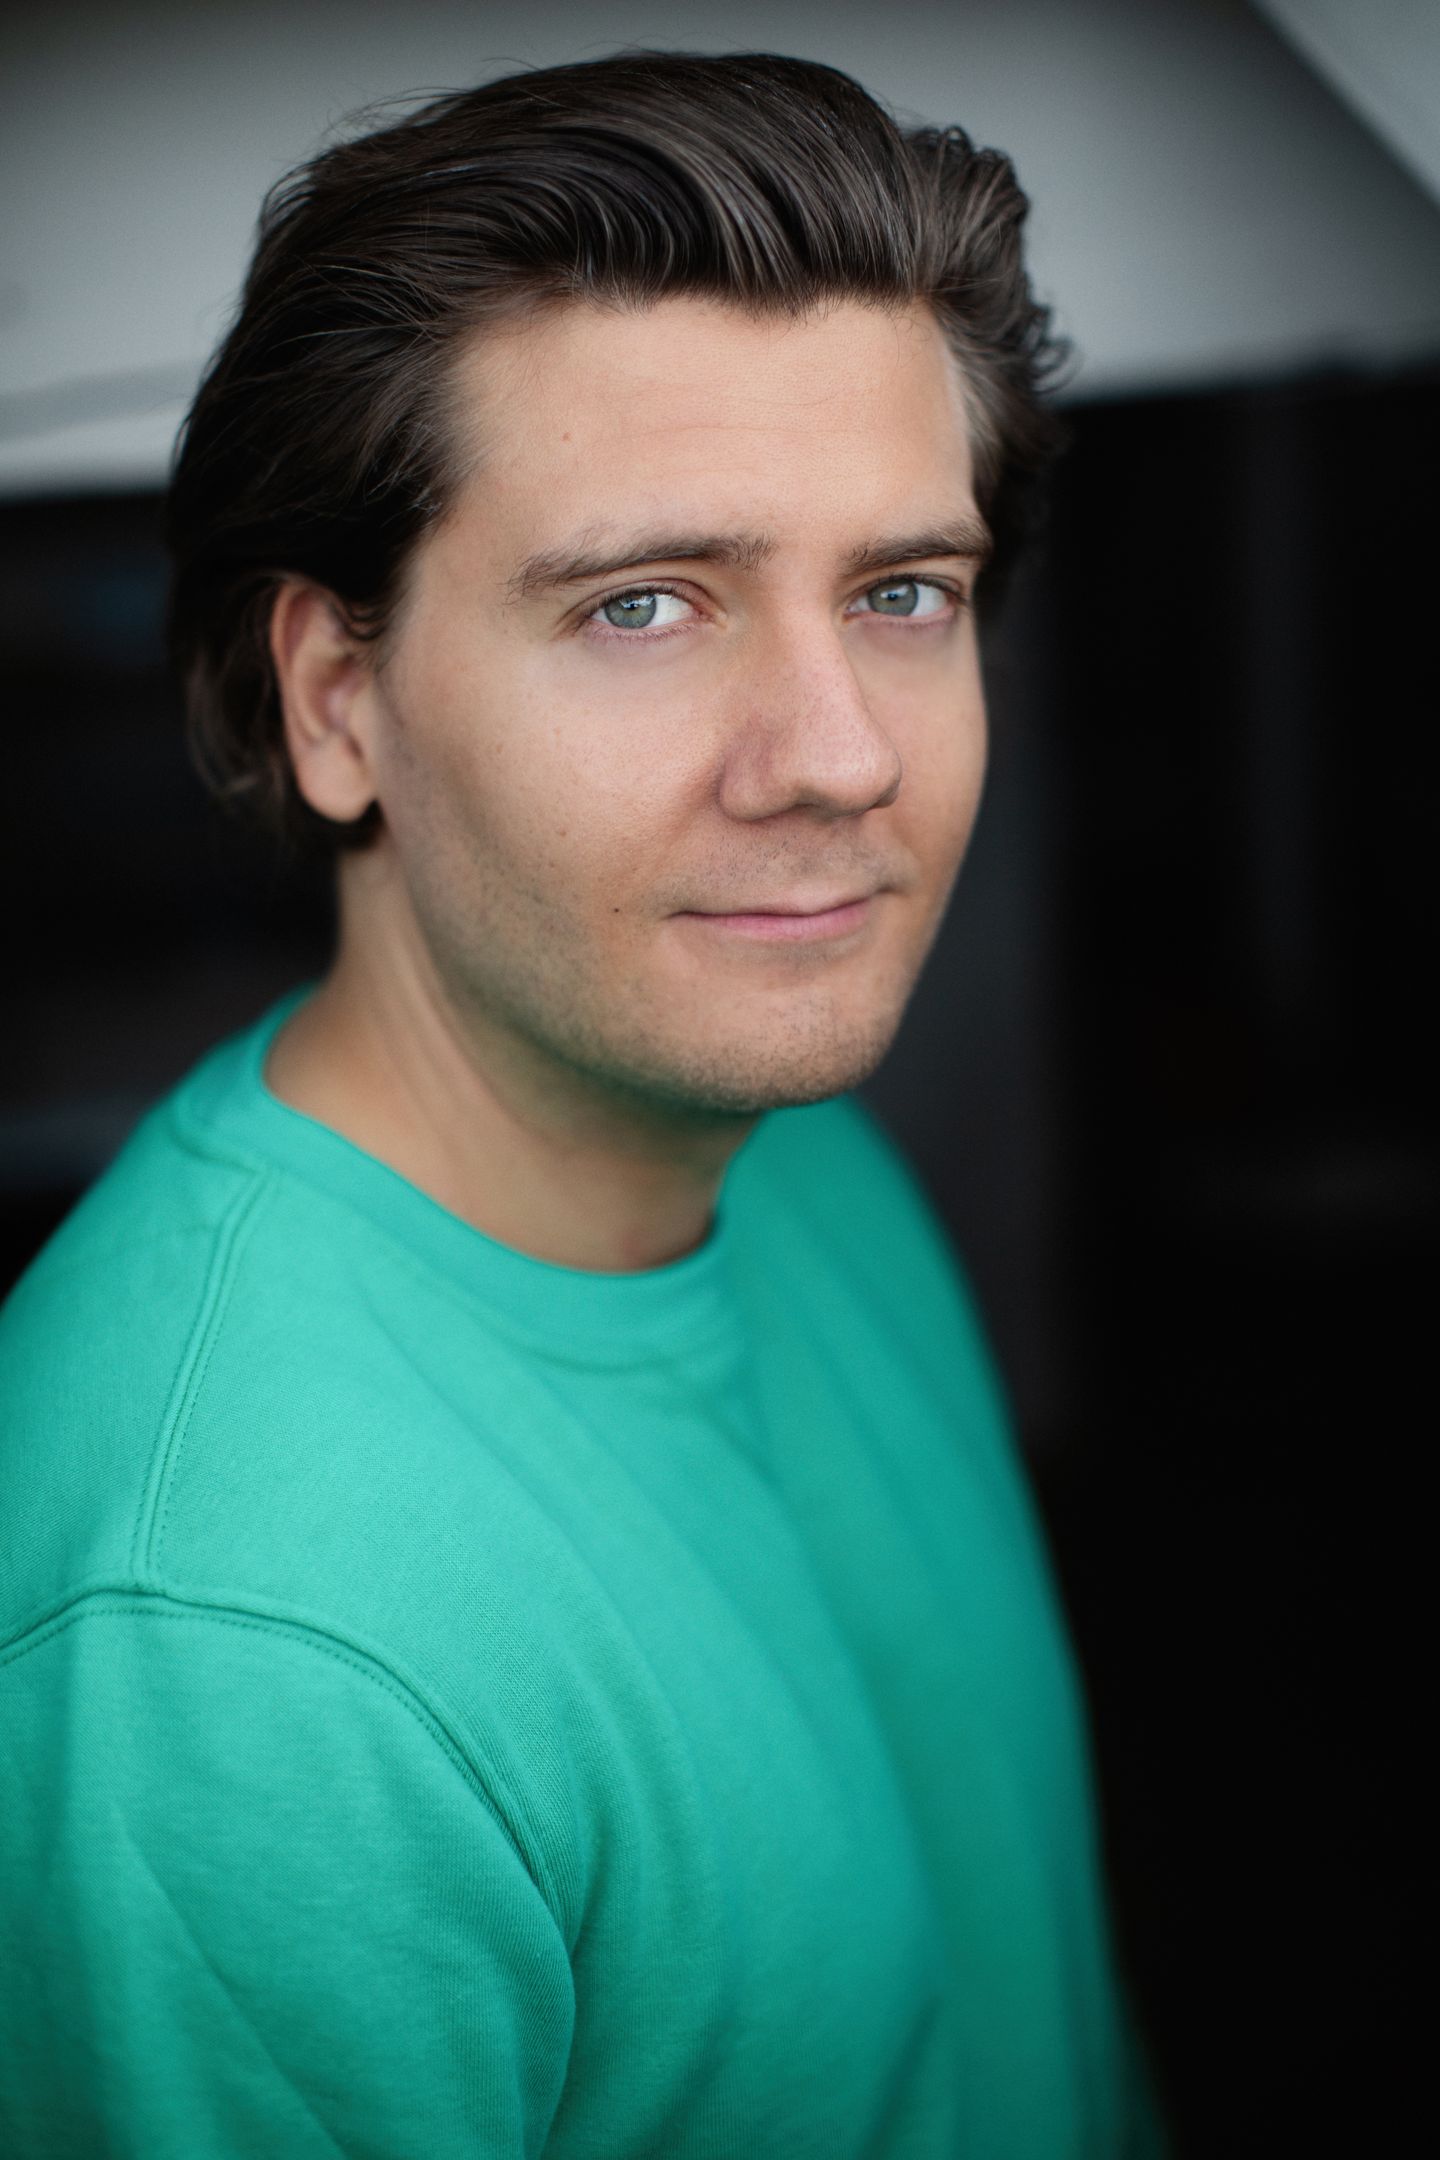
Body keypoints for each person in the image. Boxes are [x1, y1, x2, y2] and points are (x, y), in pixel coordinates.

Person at [0, 51, 1166, 2158]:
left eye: (902, 593)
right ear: (338, 700)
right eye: (644, 605)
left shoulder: (806, 1164)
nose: (840, 755)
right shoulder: (233, 1659)